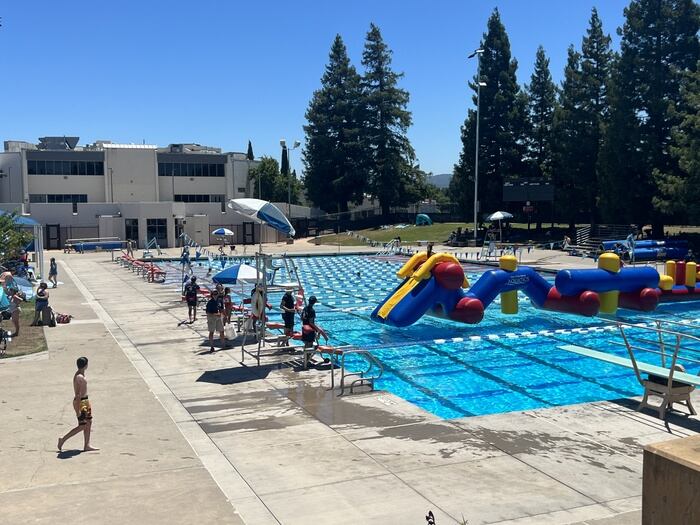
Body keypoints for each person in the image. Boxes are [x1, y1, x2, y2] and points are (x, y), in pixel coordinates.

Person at [57, 356, 98, 452]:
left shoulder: (80, 374)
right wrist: (78, 410)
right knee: (82, 425)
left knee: (89, 422)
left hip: (85, 401)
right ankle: (62, 439)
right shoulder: (80, 377)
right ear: (86, 365)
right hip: (81, 402)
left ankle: (87, 445)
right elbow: (78, 395)